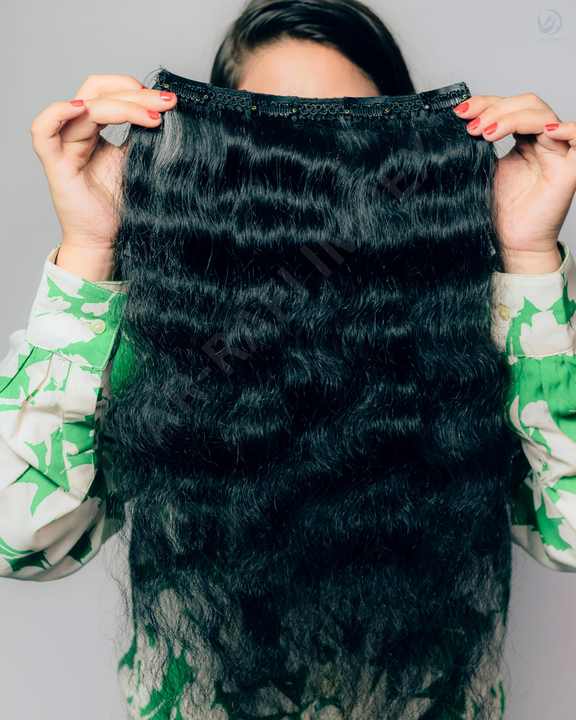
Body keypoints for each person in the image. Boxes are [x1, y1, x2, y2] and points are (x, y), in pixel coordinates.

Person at [1, 0, 575, 717]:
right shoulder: (165, 327)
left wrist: (527, 255)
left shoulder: (475, 310)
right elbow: (19, 540)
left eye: (340, 136)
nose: (307, 178)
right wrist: (89, 249)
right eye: (277, 141)